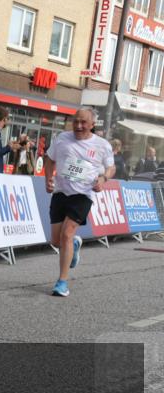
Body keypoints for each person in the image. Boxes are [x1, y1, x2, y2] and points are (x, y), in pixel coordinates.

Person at [44, 108, 115, 297]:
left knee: (67, 234)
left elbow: (111, 167)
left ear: (92, 124)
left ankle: (62, 282)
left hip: (83, 194)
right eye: (76, 122)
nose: (79, 126)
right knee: (56, 241)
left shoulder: (102, 145)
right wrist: (48, 179)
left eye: (83, 122)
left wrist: (103, 179)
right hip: (61, 193)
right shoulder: (61, 139)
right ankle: (74, 245)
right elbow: (49, 159)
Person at [0, 107, 24, 173]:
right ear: (4, 119)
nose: (8, 120)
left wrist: (9, 147)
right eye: (8, 118)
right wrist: (9, 147)